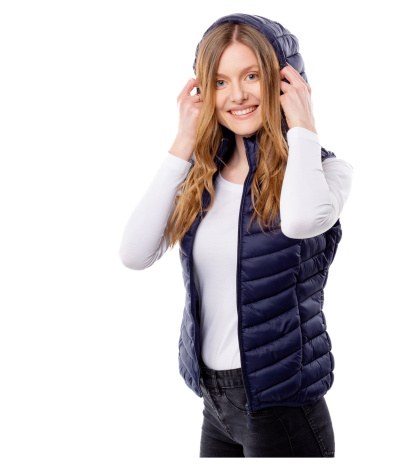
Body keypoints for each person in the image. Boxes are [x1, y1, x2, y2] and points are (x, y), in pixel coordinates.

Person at [119, 13, 354, 458]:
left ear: (286, 81)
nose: (238, 95)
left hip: (282, 407)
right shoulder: (202, 177)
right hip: (215, 404)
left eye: (252, 76)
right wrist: (183, 142)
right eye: (220, 82)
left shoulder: (325, 171)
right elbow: (134, 253)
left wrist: (302, 127)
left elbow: (301, 222)